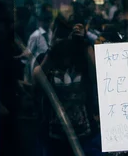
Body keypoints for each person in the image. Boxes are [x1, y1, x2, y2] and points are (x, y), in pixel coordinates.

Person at [32, 13, 100, 156]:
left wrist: (84, 44)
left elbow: (97, 78)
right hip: (53, 134)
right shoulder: (48, 58)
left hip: (85, 133)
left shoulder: (83, 56)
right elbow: (37, 79)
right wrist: (53, 49)